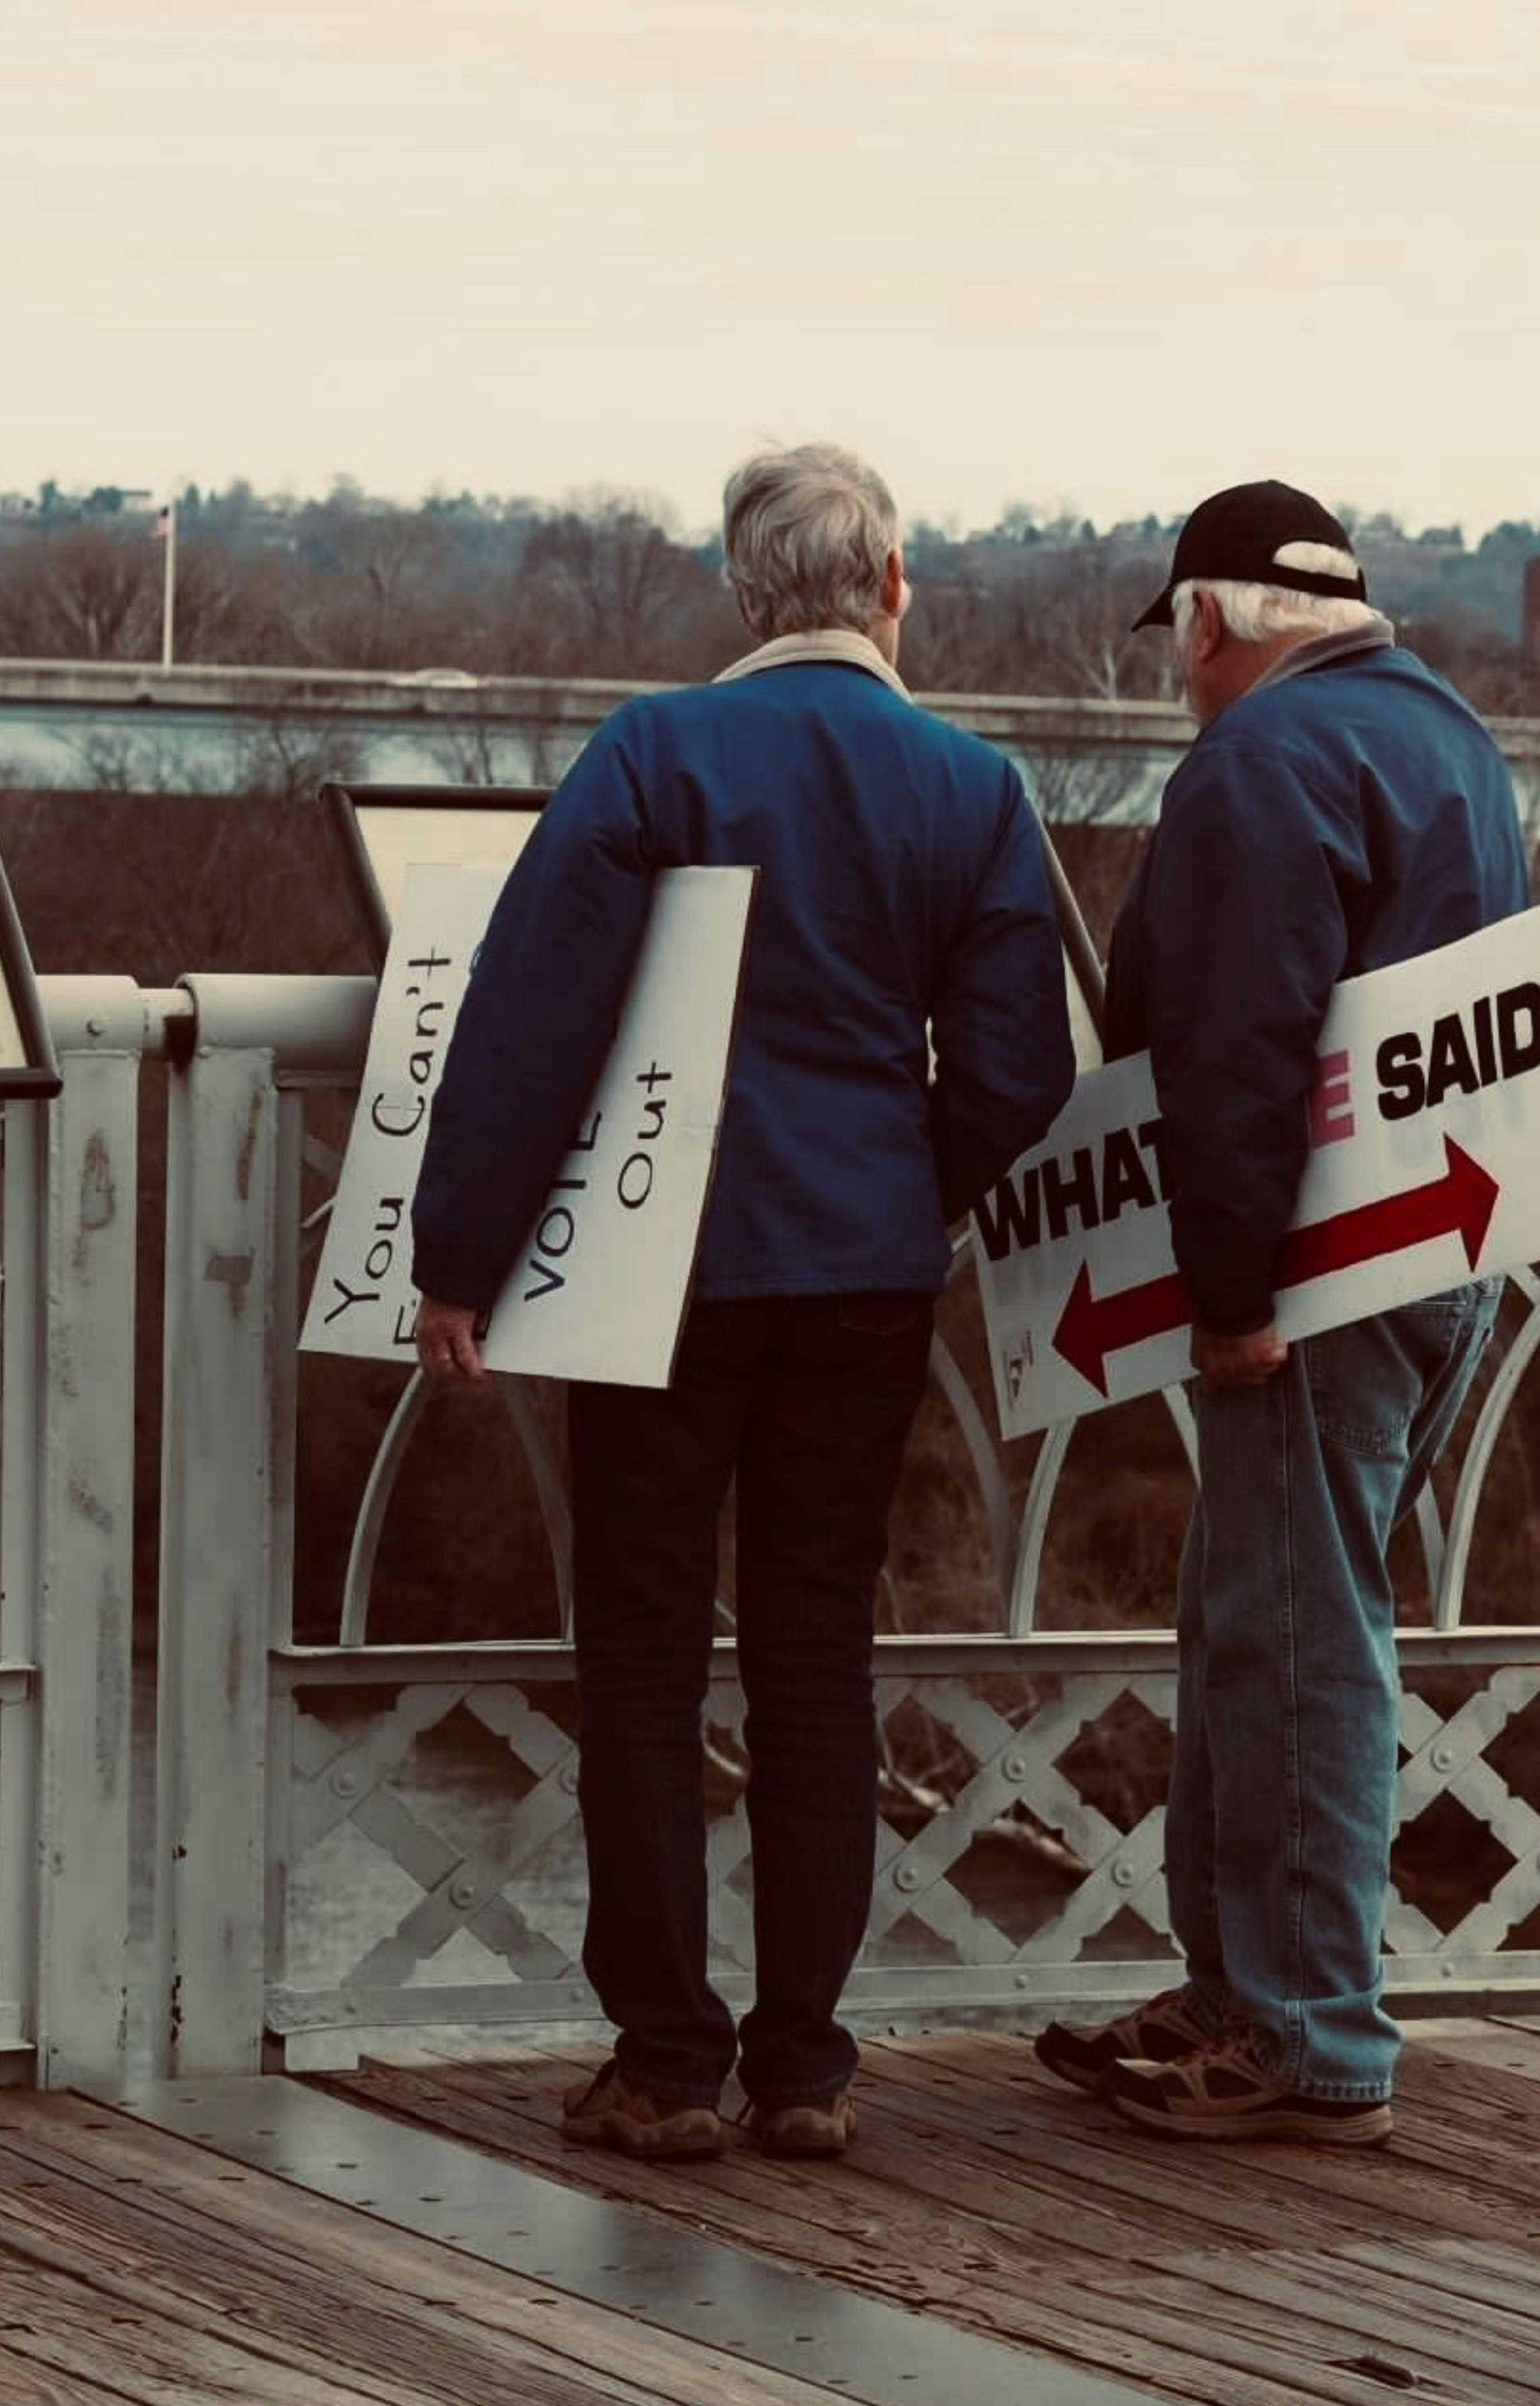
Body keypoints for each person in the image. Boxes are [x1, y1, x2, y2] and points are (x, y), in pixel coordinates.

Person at [410, 443, 1079, 2165]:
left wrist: (460, 1259)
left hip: (663, 1273)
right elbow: (1015, 1071)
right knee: (815, 1653)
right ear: (896, 590)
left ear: (739, 589)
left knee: (642, 1654)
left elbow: (535, 1013)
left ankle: (662, 2058)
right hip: (861, 1274)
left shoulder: (658, 754)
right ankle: (805, 2066)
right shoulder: (973, 786)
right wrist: (906, 1184)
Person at [1033, 480, 1532, 2144]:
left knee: (1300, 1638)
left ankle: (1309, 2035)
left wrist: (1234, 1290)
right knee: (1266, 1618)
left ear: (1213, 622)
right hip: (1437, 1237)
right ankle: (1241, 1991)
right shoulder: (1445, 735)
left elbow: (1242, 1041)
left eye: (1178, 642)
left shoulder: (1259, 762)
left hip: (1315, 1267)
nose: (1180, 678)